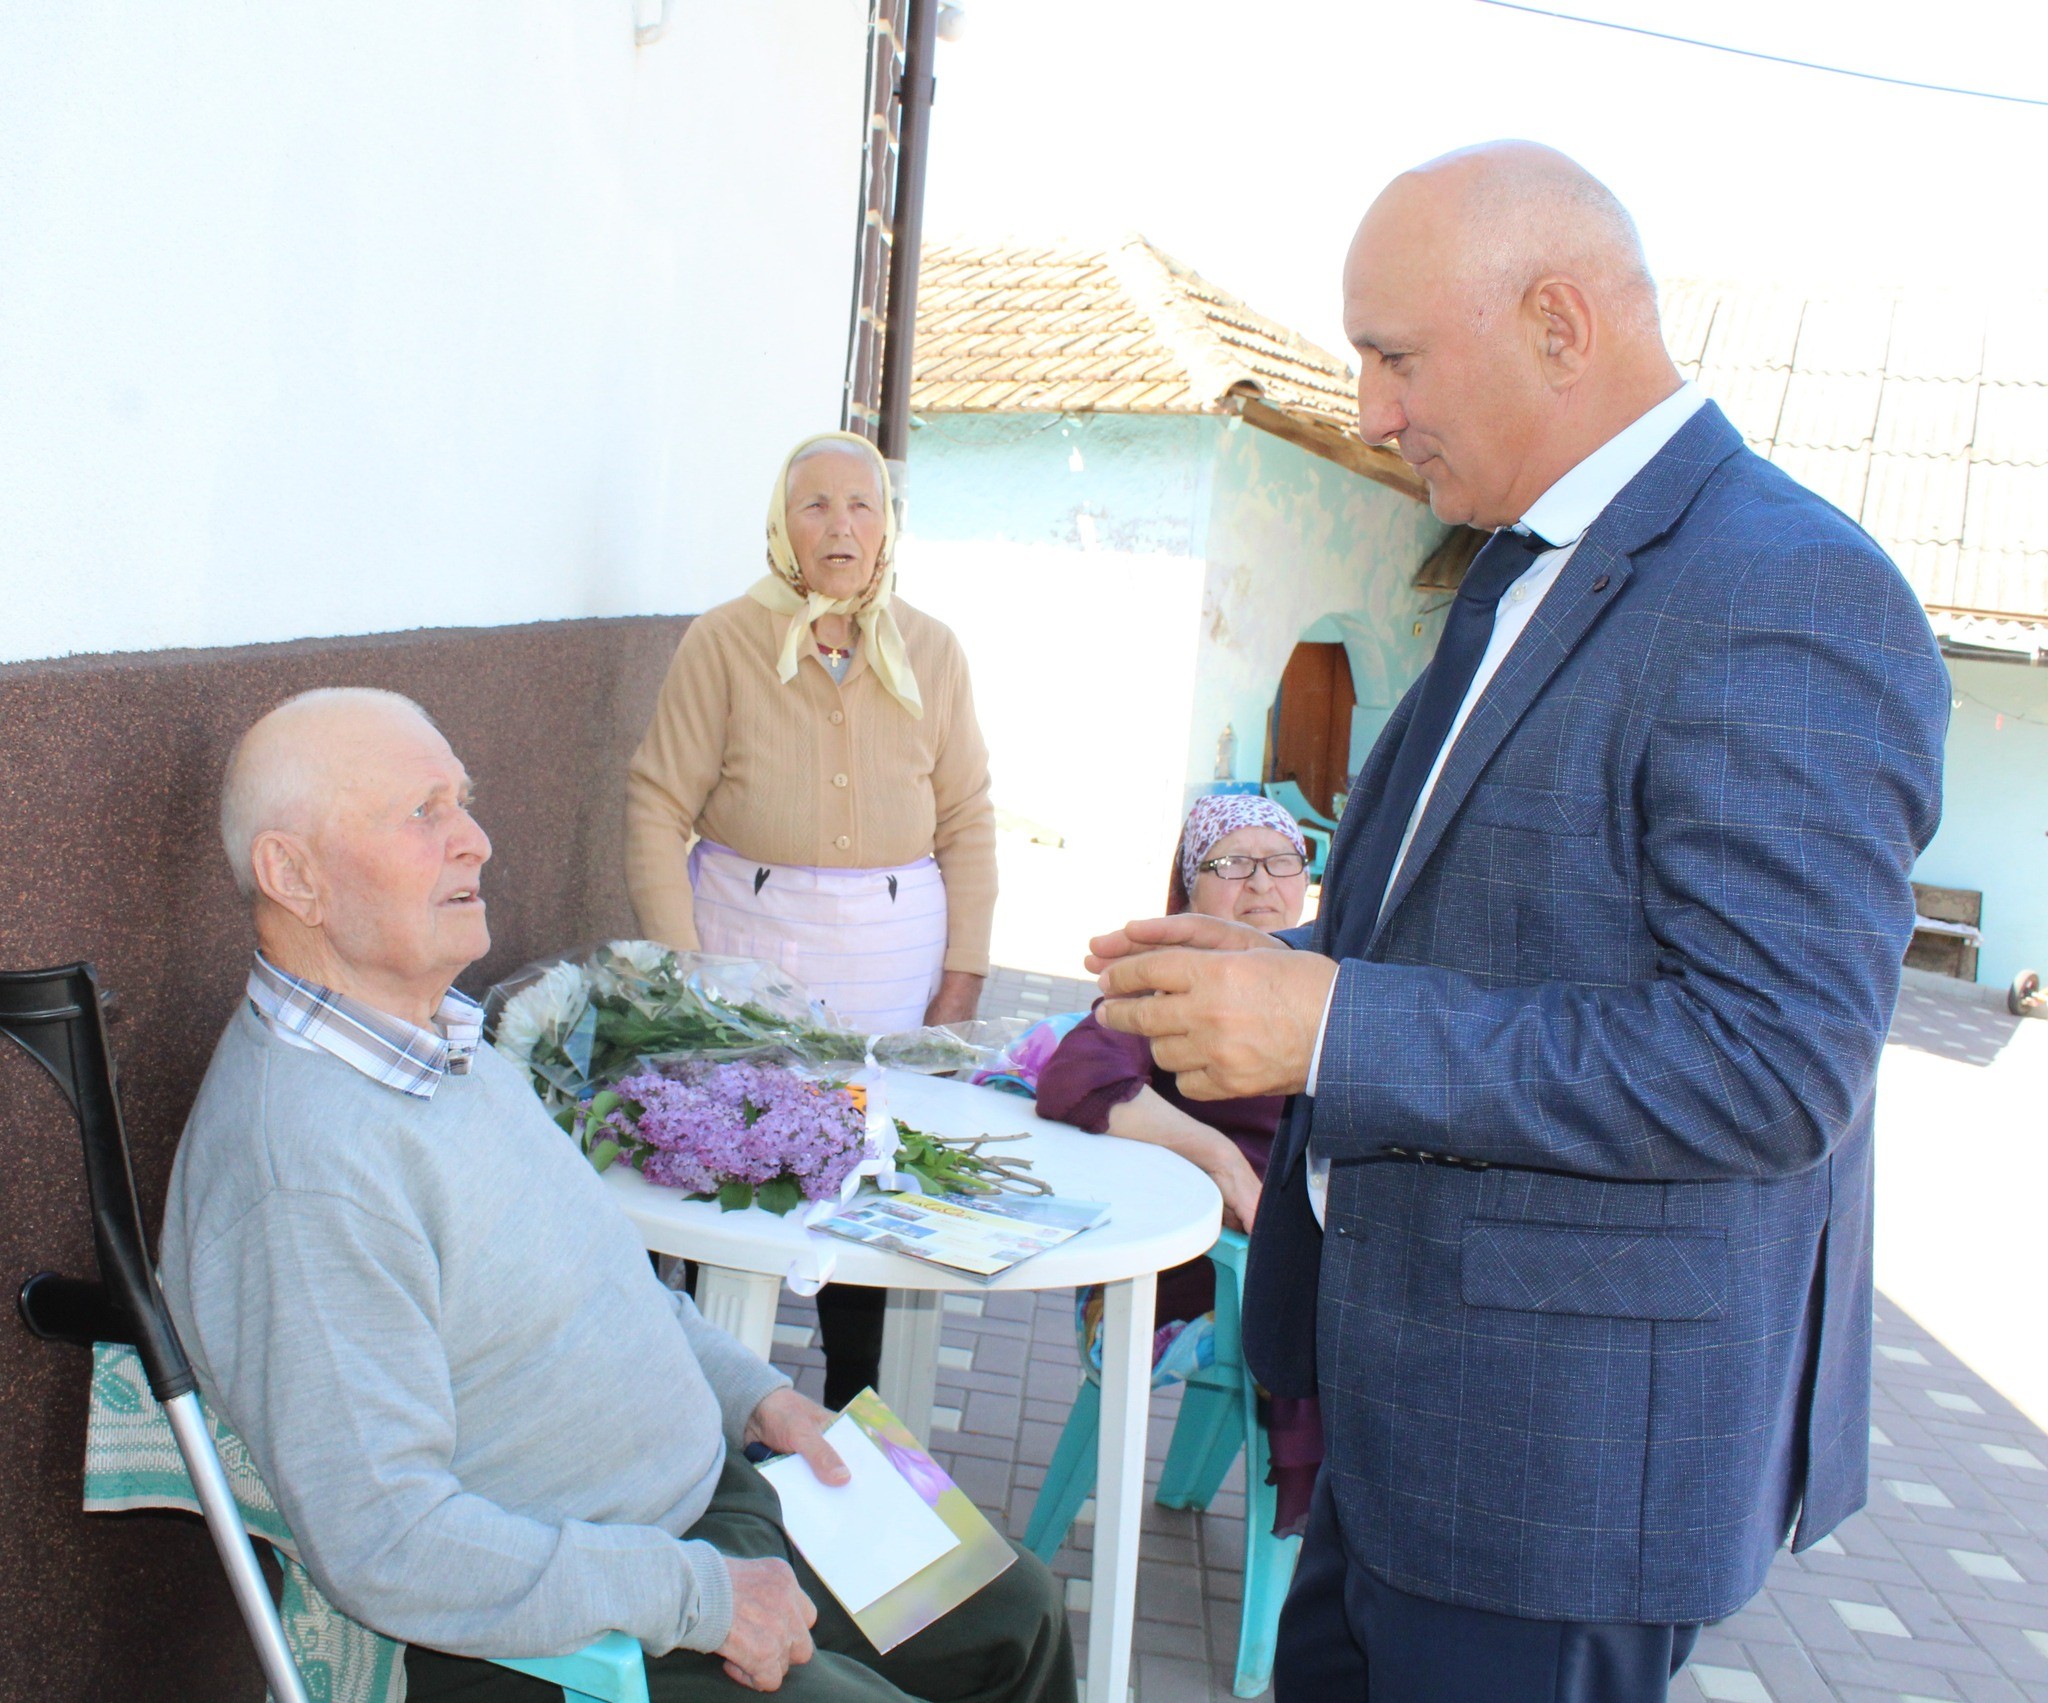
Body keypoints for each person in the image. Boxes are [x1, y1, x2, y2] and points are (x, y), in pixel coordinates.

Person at [1088, 142, 1949, 1703]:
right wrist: (1279, 969)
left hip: (1560, 1480)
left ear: (1560, 325)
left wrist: (1332, 1024)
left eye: (1397, 357)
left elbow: (1772, 1063)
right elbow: (1494, 935)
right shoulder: (1529, 568)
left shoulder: (1786, 589)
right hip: (1400, 1416)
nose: (1370, 411)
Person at [160, 688, 1071, 1703]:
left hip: (710, 1496)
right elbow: (388, 1540)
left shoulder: (438, 1041)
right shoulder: (302, 1167)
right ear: (293, 875)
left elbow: (609, 1286)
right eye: (422, 813)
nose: (475, 840)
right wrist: (697, 1595)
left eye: (463, 801)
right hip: (568, 1627)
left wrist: (755, 1393)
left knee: (1019, 1607)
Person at [625, 430, 997, 1408]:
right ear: (780, 526)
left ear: (888, 526)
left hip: (890, 961)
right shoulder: (722, 641)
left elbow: (966, 816)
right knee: (726, 1161)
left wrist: (962, 975)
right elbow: (656, 803)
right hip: (746, 945)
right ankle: (703, 1402)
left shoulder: (932, 649)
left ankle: (853, 1408)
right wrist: (685, 971)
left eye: (862, 504)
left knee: (866, 1168)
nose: (841, 525)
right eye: (816, 505)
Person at [1033, 793, 1323, 1534]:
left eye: (1282, 861)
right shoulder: (1173, 981)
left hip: (1295, 1245)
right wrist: (1220, 1159)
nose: (1262, 884)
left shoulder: (1325, 984)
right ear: (1189, 890)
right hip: (1203, 1263)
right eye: (1232, 864)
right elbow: (1076, 1077)